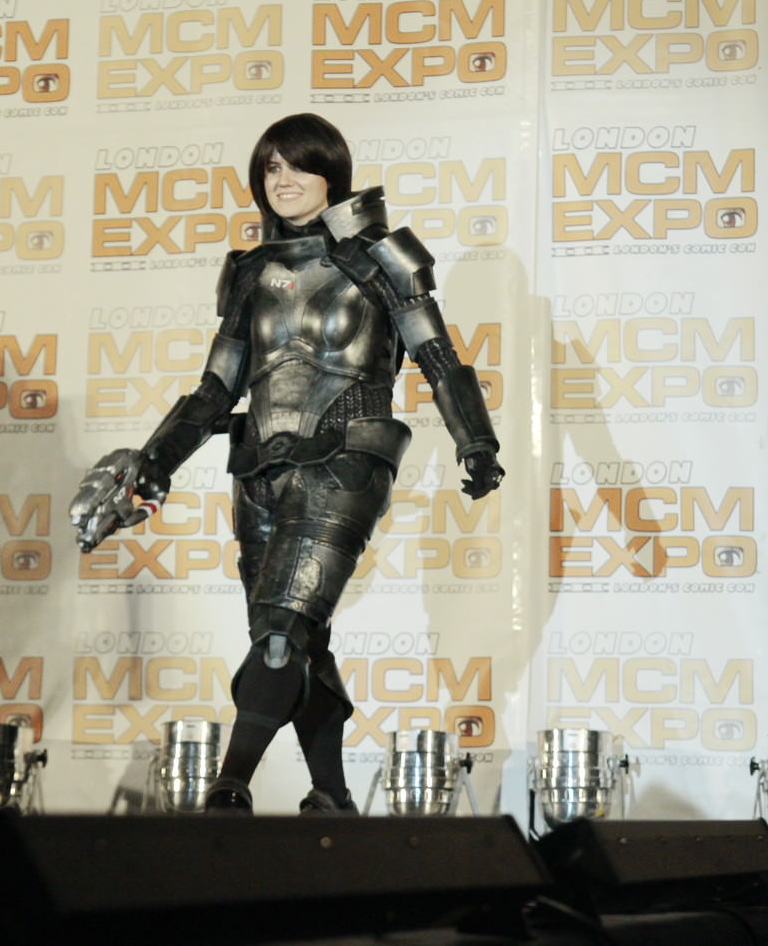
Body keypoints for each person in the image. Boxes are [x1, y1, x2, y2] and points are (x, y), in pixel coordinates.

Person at [72, 112, 503, 814]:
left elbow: (437, 356)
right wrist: (154, 462)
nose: (283, 180)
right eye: (271, 168)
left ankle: (229, 783)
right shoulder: (252, 271)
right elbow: (215, 391)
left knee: (278, 636)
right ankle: (332, 795)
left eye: (298, 165)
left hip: (348, 460)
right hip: (258, 473)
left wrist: (475, 440)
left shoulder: (380, 258)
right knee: (298, 639)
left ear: (332, 173)